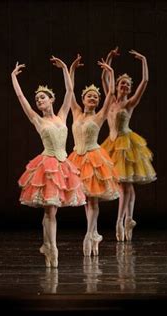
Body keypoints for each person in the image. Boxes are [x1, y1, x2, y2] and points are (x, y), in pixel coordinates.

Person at [12, 57, 86, 268]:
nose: (39, 101)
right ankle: (52, 246)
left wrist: (64, 68)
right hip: (47, 165)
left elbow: (70, 92)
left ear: (51, 99)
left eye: (43, 98)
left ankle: (48, 245)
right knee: (50, 209)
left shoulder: (62, 115)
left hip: (63, 165)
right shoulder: (38, 120)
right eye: (37, 99)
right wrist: (13, 78)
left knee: (52, 210)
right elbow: (21, 98)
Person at [100, 47, 157, 242]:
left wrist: (143, 60)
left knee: (125, 185)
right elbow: (105, 76)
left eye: (127, 84)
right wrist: (109, 57)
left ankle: (120, 222)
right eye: (121, 83)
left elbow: (145, 81)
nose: (124, 86)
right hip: (112, 144)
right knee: (127, 186)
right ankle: (129, 220)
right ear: (116, 86)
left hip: (127, 144)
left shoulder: (130, 103)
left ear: (129, 89)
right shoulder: (110, 102)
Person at [67, 55, 119, 257]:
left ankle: (89, 234)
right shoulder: (76, 112)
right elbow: (69, 91)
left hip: (94, 158)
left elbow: (111, 95)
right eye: (90, 96)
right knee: (86, 200)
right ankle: (94, 232)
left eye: (95, 97)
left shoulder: (100, 115)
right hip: (77, 158)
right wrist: (71, 70)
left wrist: (111, 73)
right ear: (83, 98)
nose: (93, 98)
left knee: (93, 200)